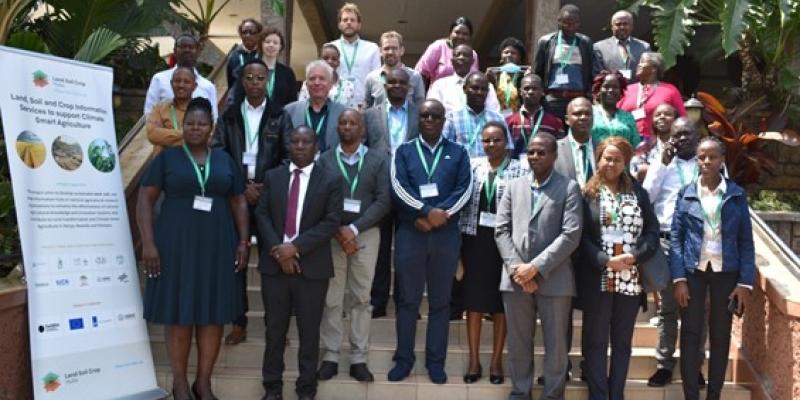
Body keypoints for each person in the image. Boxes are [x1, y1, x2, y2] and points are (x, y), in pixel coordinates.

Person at [136, 97, 249, 400]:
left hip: (218, 245)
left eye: (202, 124)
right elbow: (145, 200)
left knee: (212, 316)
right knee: (179, 314)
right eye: (190, 124)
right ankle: (180, 384)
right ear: (182, 127)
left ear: (211, 128)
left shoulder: (224, 160)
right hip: (175, 245)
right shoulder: (167, 159)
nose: (196, 128)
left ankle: (203, 383)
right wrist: (148, 243)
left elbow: (238, 201)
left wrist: (242, 241)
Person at [388, 99, 472, 384]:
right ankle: (403, 359)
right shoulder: (404, 150)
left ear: (443, 120)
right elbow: (399, 187)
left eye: (436, 116)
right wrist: (424, 213)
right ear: (418, 119)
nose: (430, 120)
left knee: (440, 303)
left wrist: (442, 215)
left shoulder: (458, 152)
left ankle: (436, 362)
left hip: (445, 236)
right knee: (408, 301)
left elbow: (465, 189)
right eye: (425, 115)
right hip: (412, 233)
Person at [256, 126, 343, 400]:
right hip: (274, 268)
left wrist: (295, 248)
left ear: (316, 146)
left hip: (311, 268)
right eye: (295, 141)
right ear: (288, 145)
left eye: (306, 142)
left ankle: (306, 389)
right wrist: (280, 252)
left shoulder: (330, 179)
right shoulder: (273, 177)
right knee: (275, 331)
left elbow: (331, 222)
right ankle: (272, 387)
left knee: (309, 332)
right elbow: (262, 215)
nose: (300, 146)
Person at [495, 132, 582, 399]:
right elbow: (501, 230)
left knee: (556, 346)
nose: (535, 157)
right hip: (515, 279)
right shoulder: (513, 185)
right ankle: (521, 392)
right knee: (519, 343)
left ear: (554, 156)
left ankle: (553, 394)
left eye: (541, 152)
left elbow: (571, 235)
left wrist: (535, 267)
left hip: (554, 279)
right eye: (531, 152)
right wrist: (518, 269)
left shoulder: (568, 188)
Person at [671, 136, 754, 400]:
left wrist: (744, 283)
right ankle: (691, 395)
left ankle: (714, 395)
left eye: (712, 157)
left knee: (720, 335)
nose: (706, 161)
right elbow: (676, 238)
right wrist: (679, 279)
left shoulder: (736, 195)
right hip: (693, 272)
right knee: (690, 334)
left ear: (722, 160)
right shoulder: (686, 193)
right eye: (701, 157)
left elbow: (746, 241)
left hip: (726, 273)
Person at [578, 137, 660, 400]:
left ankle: (617, 394)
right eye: (607, 158)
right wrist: (604, 259)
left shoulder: (638, 193)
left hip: (629, 278)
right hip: (599, 277)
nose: (611, 163)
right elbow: (580, 238)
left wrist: (635, 256)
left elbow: (652, 232)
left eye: (617, 159)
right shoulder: (587, 194)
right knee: (596, 342)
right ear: (599, 160)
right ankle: (599, 395)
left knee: (622, 343)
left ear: (625, 163)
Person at [212, 59, 287, 346]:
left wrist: (264, 186)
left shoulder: (280, 115)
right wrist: (242, 186)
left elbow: (289, 155)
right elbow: (219, 153)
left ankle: (274, 324)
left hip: (269, 199)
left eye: (260, 78)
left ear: (267, 81)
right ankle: (238, 322)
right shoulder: (229, 116)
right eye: (249, 78)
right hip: (236, 197)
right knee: (236, 261)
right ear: (242, 81)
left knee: (273, 262)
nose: (255, 82)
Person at [316, 110, 391, 383]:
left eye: (353, 123)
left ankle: (359, 357)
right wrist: (338, 230)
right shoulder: (325, 160)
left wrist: (354, 229)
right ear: (337, 128)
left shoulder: (378, 160)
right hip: (332, 236)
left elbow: (384, 200)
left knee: (361, 298)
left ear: (363, 129)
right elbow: (319, 200)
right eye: (343, 123)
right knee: (332, 298)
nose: (347, 127)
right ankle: (331, 355)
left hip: (366, 234)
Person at [642, 117, 709, 388]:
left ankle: (695, 366)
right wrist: (661, 164)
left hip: (698, 244)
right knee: (668, 307)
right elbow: (646, 197)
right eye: (677, 135)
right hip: (668, 242)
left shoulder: (708, 162)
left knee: (697, 310)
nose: (682, 139)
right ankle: (664, 365)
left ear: (697, 137)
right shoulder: (663, 164)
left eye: (687, 134)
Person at [459, 122, 524, 385]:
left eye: (496, 140)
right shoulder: (473, 166)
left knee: (500, 304)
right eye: (486, 141)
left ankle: (497, 360)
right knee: (474, 303)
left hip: (505, 244)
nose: (491, 145)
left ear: (506, 141)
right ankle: (474, 359)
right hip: (475, 241)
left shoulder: (520, 169)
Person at [363, 67, 420, 318]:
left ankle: (406, 301)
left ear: (409, 88)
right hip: (380, 189)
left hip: (410, 189)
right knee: (381, 248)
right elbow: (364, 150)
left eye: (402, 83)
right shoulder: (370, 115)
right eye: (392, 82)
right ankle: (377, 300)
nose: (397, 86)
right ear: (385, 86)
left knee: (408, 250)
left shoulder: (420, 116)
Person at [533, 4, 594, 122]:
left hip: (578, 98)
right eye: (566, 22)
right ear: (559, 21)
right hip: (553, 99)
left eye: (574, 23)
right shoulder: (546, 42)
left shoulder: (585, 42)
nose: (570, 26)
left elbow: (591, 71)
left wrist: (589, 95)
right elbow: (537, 72)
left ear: (579, 23)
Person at [144, 34, 218, 120]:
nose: (187, 50)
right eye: (182, 47)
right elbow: (149, 113)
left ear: (198, 52)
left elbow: (213, 119)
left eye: (191, 47)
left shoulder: (208, 86)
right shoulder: (159, 79)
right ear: (174, 51)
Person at [618, 52, 686, 139]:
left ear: (654, 69)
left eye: (642, 62)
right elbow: (615, 116)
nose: (638, 65)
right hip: (627, 143)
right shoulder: (627, 89)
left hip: (657, 144)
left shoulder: (670, 90)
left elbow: (683, 120)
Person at [442, 71, 511, 158]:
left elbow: (508, 149)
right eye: (475, 88)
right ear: (464, 89)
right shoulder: (453, 118)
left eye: (483, 89)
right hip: (463, 169)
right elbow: (444, 150)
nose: (479, 92)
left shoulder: (498, 119)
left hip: (492, 170)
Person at [284, 60, 347, 154]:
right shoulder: (289, 111)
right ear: (306, 84)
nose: (317, 83)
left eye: (322, 78)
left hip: (330, 166)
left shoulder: (343, 113)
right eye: (312, 78)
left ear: (331, 84)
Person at [331, 2, 381, 109]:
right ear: (339, 25)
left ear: (359, 25)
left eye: (352, 20)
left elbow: (377, 80)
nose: (348, 22)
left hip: (364, 106)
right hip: (336, 106)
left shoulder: (372, 48)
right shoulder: (330, 48)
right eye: (345, 20)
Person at [428, 44, 500, 116]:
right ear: (452, 61)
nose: (461, 57)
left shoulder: (485, 85)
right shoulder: (439, 85)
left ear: (472, 61)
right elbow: (433, 111)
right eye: (458, 55)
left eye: (465, 55)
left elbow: (493, 111)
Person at [506, 73, 564, 159]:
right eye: (526, 88)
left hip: (546, 170)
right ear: (520, 92)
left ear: (542, 92)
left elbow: (560, 152)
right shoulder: (509, 121)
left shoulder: (555, 123)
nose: (530, 92)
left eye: (535, 88)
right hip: (516, 170)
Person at [363, 31, 426, 109]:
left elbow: (420, 106)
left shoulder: (414, 76)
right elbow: (367, 107)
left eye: (394, 48)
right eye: (386, 48)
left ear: (402, 50)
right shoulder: (371, 78)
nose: (390, 52)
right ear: (380, 51)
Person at [415, 16, 480, 88]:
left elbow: (474, 79)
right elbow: (421, 73)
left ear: (470, 37)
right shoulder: (439, 46)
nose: (460, 36)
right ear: (450, 34)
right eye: (457, 32)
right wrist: (420, 96)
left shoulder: (473, 54)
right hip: (439, 95)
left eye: (465, 34)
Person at [146, 66, 196, 155]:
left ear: (194, 86)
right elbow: (152, 134)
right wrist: (185, 134)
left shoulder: (202, 110)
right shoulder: (160, 108)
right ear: (171, 83)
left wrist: (166, 137)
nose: (181, 85)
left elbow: (206, 139)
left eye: (187, 82)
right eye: (177, 81)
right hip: (163, 164)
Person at [592, 10, 651, 82]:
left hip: (636, 91)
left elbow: (649, 74)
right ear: (612, 27)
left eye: (625, 24)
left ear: (632, 26)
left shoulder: (644, 47)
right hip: (612, 90)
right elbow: (598, 75)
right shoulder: (599, 47)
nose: (622, 27)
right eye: (618, 24)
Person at [591, 70, 641, 146]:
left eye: (615, 87)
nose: (611, 90)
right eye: (606, 86)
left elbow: (636, 144)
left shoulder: (628, 117)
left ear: (620, 92)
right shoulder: (589, 113)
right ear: (599, 90)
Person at [555, 97, 596, 189]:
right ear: (566, 120)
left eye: (588, 114)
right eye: (577, 114)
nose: (583, 117)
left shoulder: (603, 148)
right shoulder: (555, 150)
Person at [630, 103, 677, 181]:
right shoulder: (644, 147)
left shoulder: (682, 145)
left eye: (667, 114)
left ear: (676, 119)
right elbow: (633, 175)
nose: (662, 117)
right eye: (658, 115)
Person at [486, 37, 530, 116]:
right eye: (506, 52)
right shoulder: (495, 75)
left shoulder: (524, 76)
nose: (509, 55)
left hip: (519, 119)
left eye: (513, 53)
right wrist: (489, 81)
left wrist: (527, 80)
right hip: (497, 117)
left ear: (520, 58)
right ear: (501, 56)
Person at [256, 28, 297, 110]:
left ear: (280, 47)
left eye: (275, 43)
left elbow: (292, 101)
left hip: (279, 118)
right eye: (267, 42)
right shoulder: (250, 69)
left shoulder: (287, 73)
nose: (271, 45)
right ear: (261, 44)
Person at [226, 18, 263, 91]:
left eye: (252, 32)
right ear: (240, 34)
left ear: (258, 34)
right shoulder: (233, 56)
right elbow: (231, 82)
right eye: (244, 32)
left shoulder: (264, 54)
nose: (248, 35)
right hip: (238, 99)